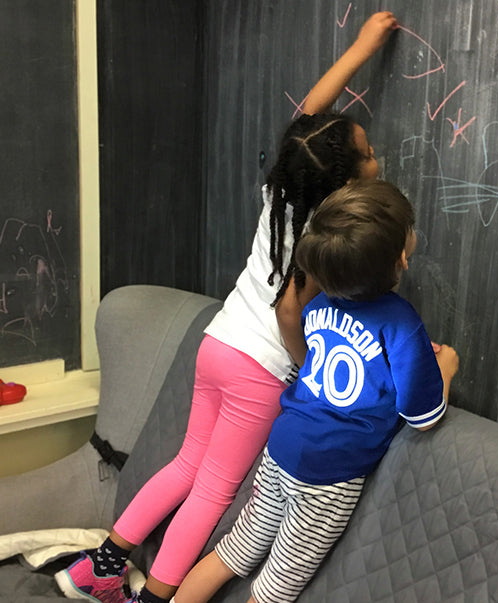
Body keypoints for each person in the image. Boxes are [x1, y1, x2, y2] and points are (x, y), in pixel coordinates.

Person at [55, 12, 400, 603]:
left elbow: (308, 119)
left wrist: (360, 48)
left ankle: (99, 569)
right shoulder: (332, 234)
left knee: (186, 465)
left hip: (218, 343)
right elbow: (292, 312)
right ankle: (153, 596)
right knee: (213, 490)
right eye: (367, 157)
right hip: (259, 368)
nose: (376, 158)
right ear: (343, 184)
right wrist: (305, 366)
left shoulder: (286, 188)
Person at [172, 180, 460, 603]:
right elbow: (425, 416)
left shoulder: (319, 306)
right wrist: (445, 368)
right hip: (327, 476)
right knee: (274, 590)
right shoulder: (400, 322)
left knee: (234, 552)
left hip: (282, 446)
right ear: (402, 256)